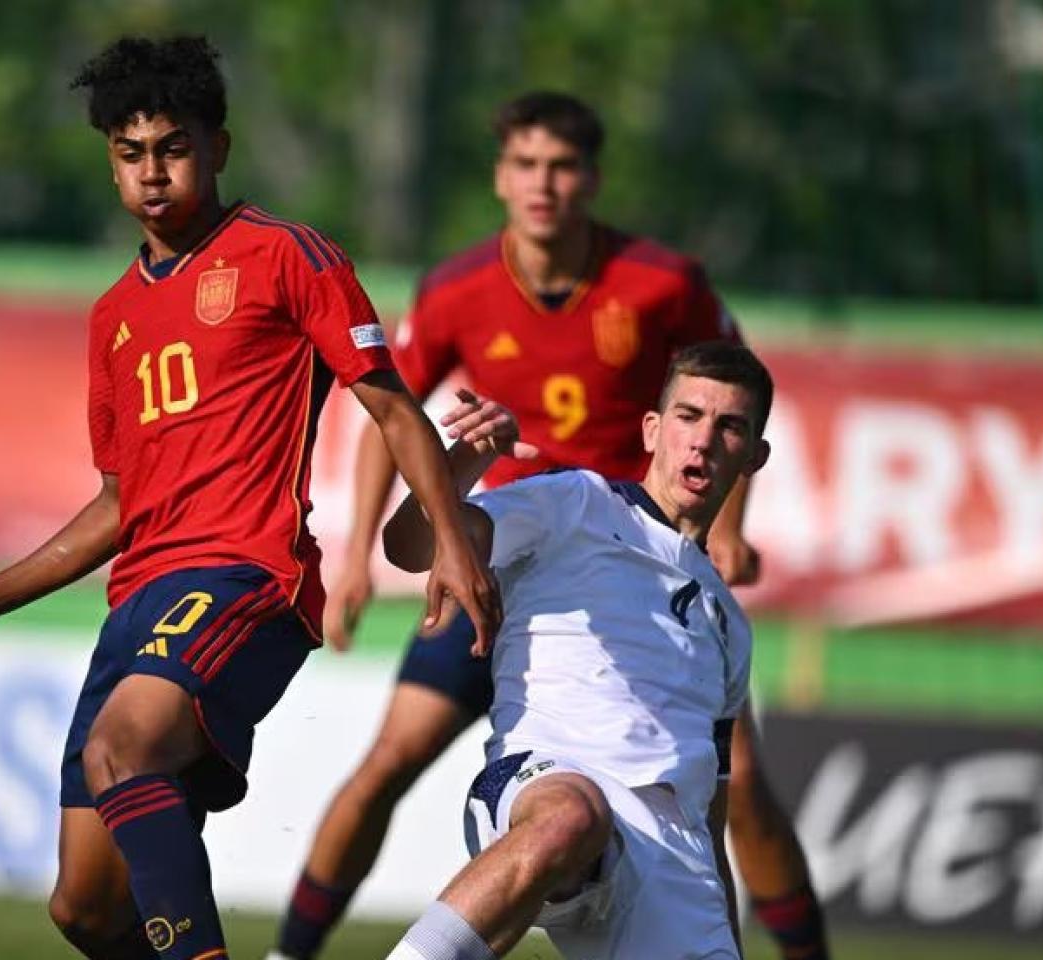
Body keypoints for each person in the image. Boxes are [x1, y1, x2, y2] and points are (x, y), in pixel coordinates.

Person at [0, 35, 501, 960]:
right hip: (139, 600)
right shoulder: (112, 318)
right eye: (130, 154)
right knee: (85, 910)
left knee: (123, 747)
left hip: (246, 575)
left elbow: (394, 410)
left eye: (172, 148)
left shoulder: (286, 257)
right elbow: (118, 503)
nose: (152, 174)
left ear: (218, 148)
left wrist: (453, 546)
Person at [271, 92, 829, 960]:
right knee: (391, 761)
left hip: (648, 581)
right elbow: (394, 411)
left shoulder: (660, 285)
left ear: (592, 181)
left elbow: (732, 402)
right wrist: (352, 556)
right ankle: (288, 952)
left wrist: (726, 535)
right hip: (509, 553)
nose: (544, 185)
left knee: (734, 782)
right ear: (501, 177)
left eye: (563, 167)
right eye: (527, 165)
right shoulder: (459, 291)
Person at [383, 340, 772, 960]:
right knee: (573, 818)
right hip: (548, 784)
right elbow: (409, 546)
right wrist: (467, 459)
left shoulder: (728, 625)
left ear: (755, 456)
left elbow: (710, 821)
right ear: (652, 429)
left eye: (729, 427)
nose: (702, 440)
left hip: (668, 861)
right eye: (688, 416)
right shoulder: (576, 505)